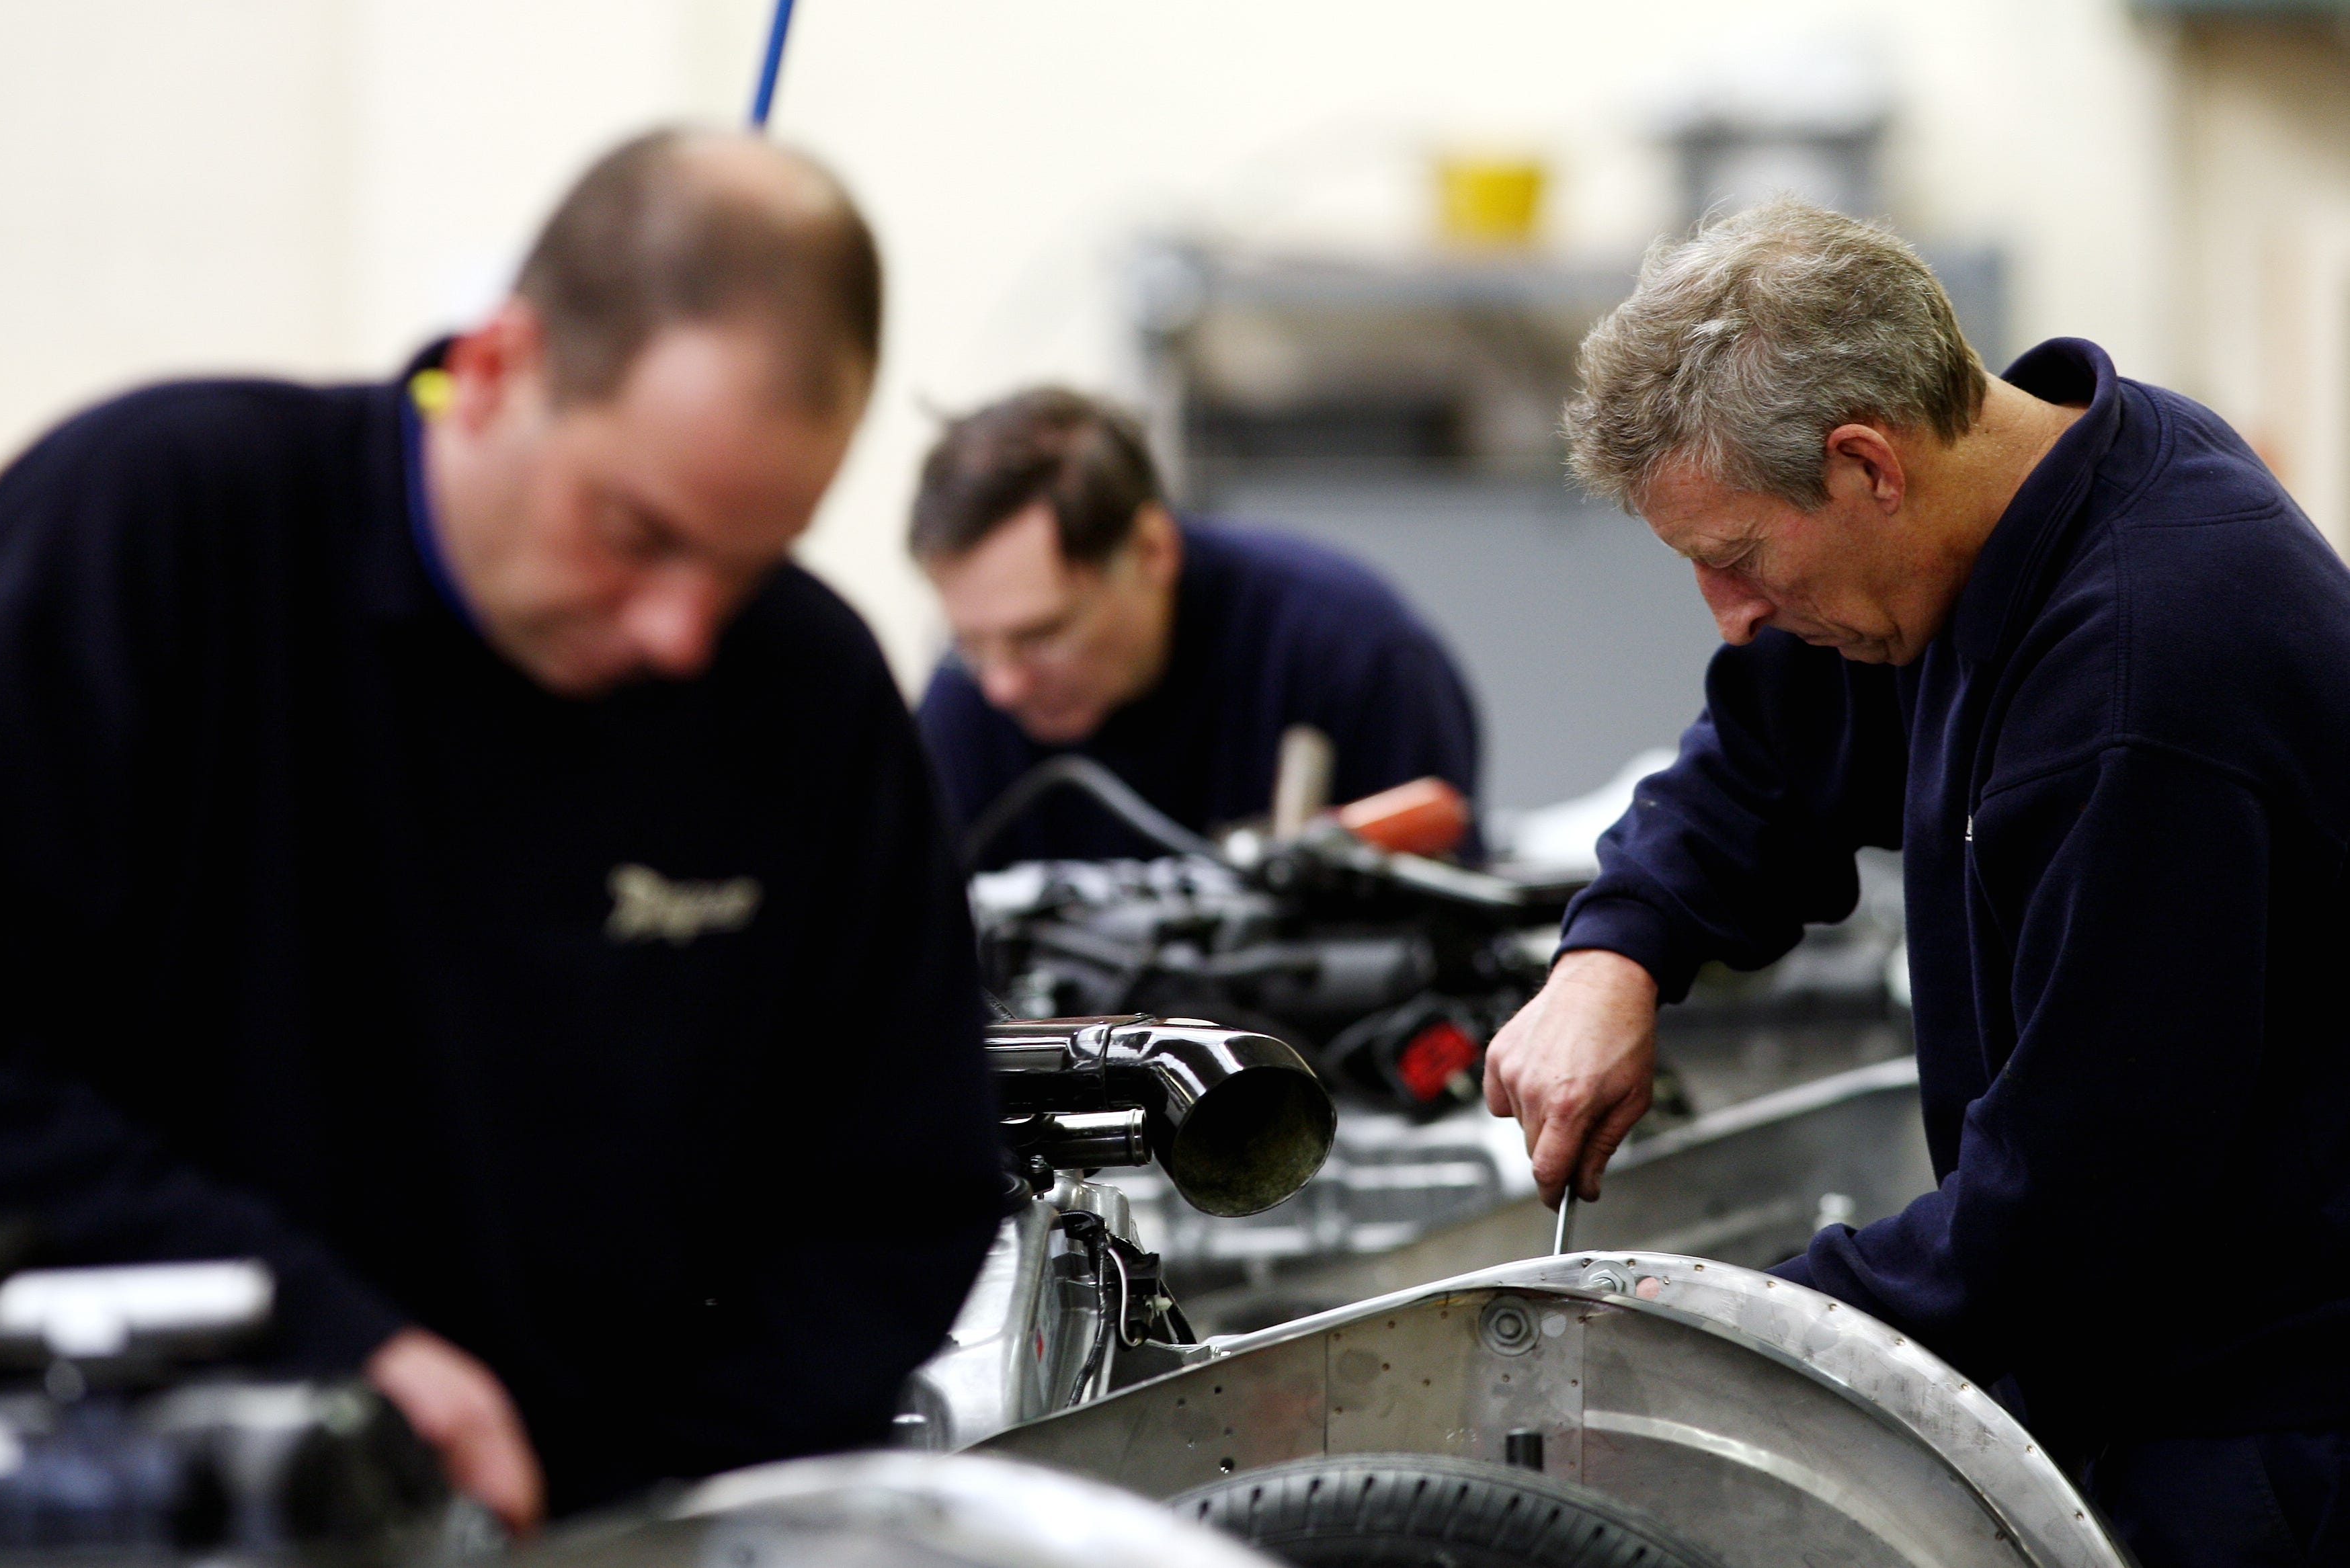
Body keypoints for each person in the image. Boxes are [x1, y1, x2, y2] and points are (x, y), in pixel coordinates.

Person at [0, 128, 1003, 1528]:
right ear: (493, 371)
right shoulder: (156, 533)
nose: (680, 629)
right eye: (636, 531)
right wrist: (325, 1338)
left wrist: (659, 1519)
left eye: (749, 561)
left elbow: (901, 1178)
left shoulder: (806, 695)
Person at [1481, 197, 2350, 1566]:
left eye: (1737, 557)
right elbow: (1770, 753)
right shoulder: (2016, 509)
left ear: (1866, 465)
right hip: (2133, 1371)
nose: (1734, 613)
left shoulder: (2146, 677)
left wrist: (1677, 1331)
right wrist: (1616, 953)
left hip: (2257, 1449)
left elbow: (2062, 1224)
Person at [909, 388, 1480, 869]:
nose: (1002, 687)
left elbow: (1447, 949)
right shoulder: (963, 702)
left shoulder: (1352, 656)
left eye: (1042, 635)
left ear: (1152, 550)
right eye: (971, 643)